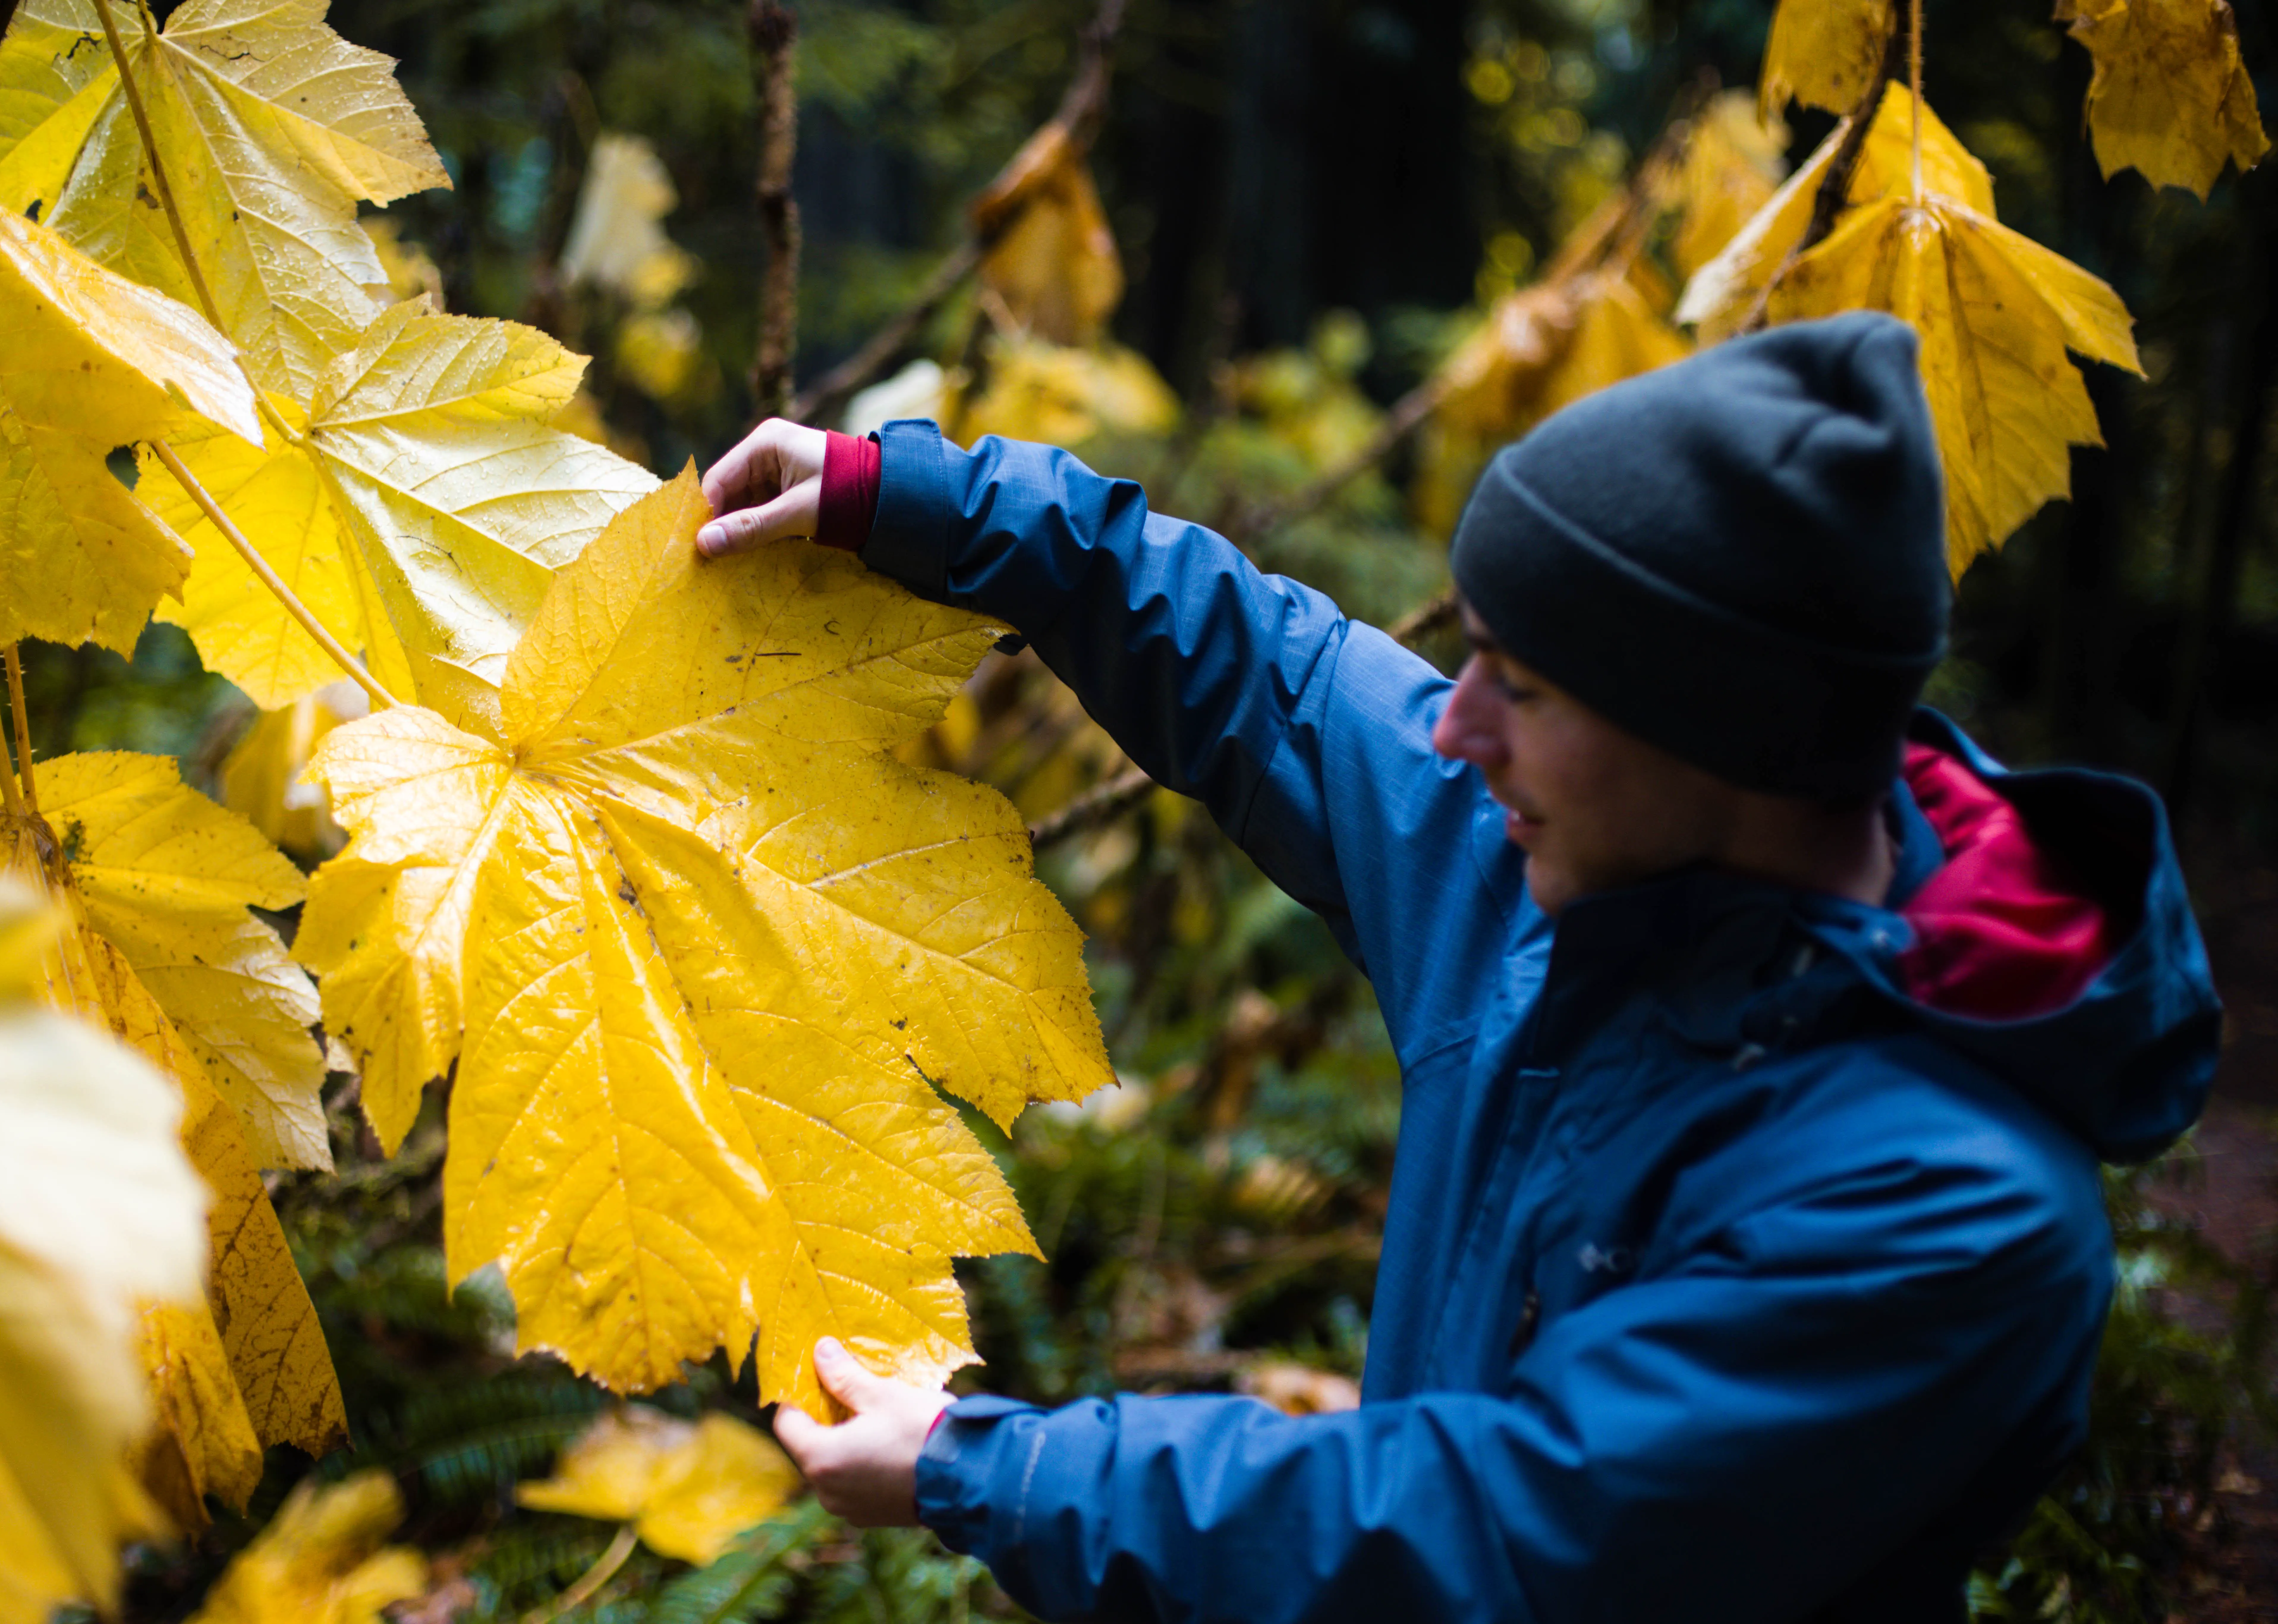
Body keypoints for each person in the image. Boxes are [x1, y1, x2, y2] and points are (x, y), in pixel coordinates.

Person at [698, 311, 2221, 1624]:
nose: (1454, 727)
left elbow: (1502, 1526)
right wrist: (900, 494)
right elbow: (1277, 678)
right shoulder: (1567, 866)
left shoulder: (1951, 1219)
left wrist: (998, 1468)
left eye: (1525, 684)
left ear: (1727, 742)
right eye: (1474, 655)